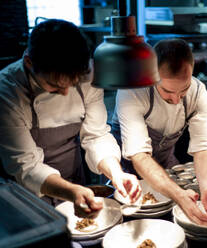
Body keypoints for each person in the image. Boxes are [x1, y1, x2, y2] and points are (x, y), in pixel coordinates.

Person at [0, 19, 141, 217]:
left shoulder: (88, 74)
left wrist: (116, 174)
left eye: (73, 84)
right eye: (55, 86)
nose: (66, 93)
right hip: (26, 193)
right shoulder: (7, 91)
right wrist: (71, 192)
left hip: (74, 177)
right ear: (29, 62)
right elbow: (27, 167)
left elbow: (96, 135)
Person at [112, 39, 207, 226]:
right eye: (167, 91)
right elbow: (139, 155)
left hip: (165, 166)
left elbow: (204, 146)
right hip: (124, 172)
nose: (175, 100)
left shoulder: (198, 92)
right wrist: (179, 194)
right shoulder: (133, 90)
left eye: (183, 90)